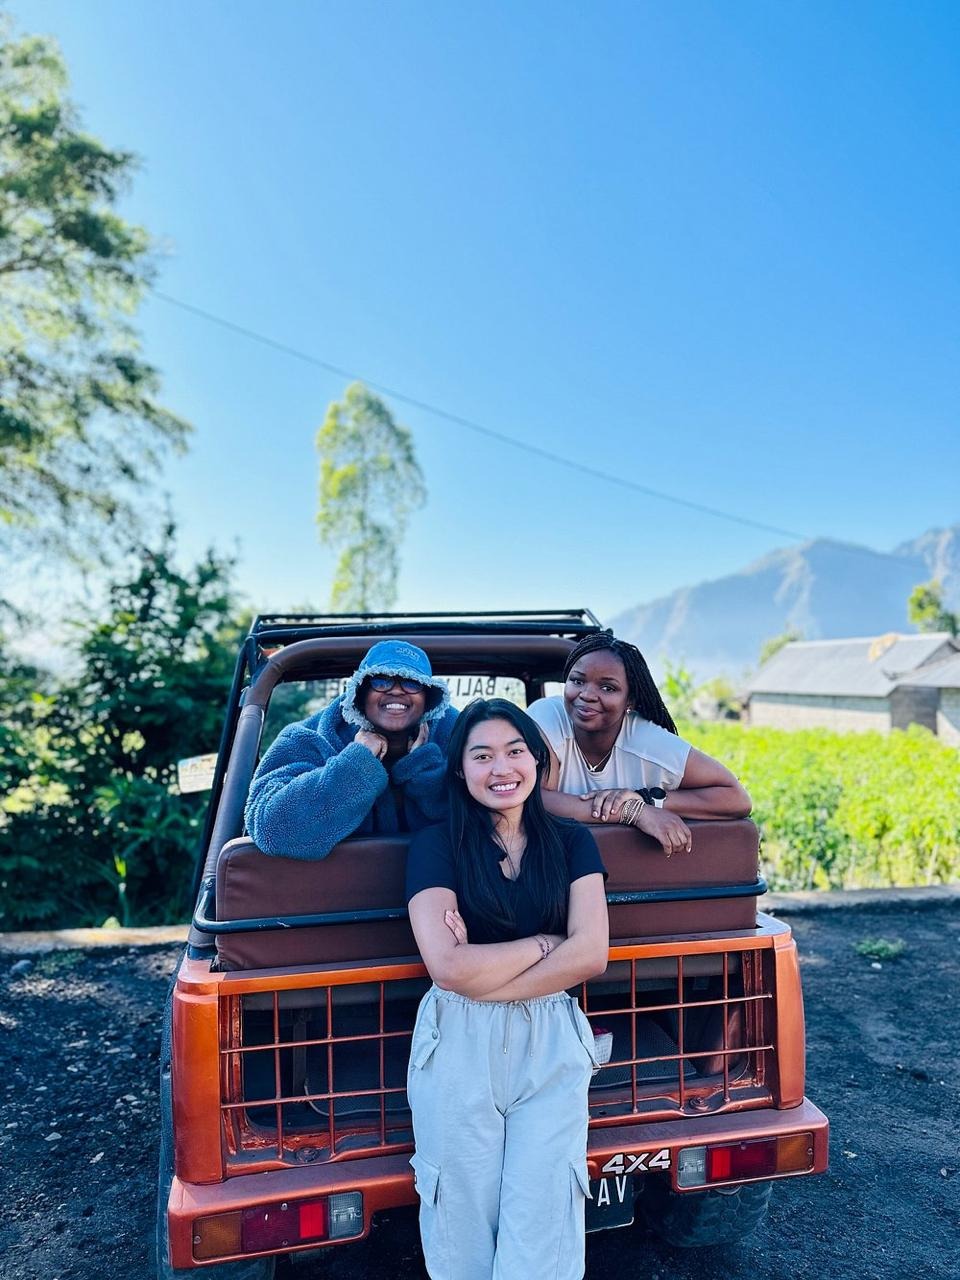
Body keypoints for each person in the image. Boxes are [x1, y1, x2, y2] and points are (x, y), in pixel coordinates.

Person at [405, 698, 609, 1280]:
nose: (502, 768)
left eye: (515, 751)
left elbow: (591, 953)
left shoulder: (571, 842)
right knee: (461, 1219)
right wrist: (544, 944)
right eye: (482, 755)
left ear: (537, 761)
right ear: (460, 769)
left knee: (544, 1219)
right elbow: (448, 967)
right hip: (458, 1040)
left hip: (550, 1040)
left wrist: (488, 976)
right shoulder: (436, 845)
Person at [527, 632, 751, 856]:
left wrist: (647, 798)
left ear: (630, 701)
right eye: (577, 681)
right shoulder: (548, 716)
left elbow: (736, 798)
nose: (587, 695)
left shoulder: (647, 742)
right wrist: (634, 811)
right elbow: (537, 799)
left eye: (607, 688)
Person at [245, 640, 458, 859]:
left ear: (429, 698)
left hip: (437, 877)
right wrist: (357, 762)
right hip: (329, 881)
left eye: (412, 683)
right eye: (381, 680)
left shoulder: (458, 738)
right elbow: (271, 831)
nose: (396, 690)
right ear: (361, 691)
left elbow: (476, 822)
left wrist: (423, 769)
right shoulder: (305, 739)